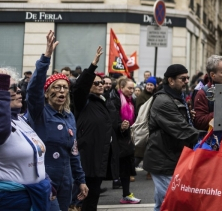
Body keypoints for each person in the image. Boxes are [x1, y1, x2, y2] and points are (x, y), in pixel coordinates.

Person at [27, 30, 88, 210]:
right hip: (43, 180)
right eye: (57, 87)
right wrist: (46, 57)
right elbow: (33, 91)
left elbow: (74, 152)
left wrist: (81, 180)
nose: (61, 91)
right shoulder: (39, 113)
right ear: (47, 93)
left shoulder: (69, 117)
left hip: (65, 180)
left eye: (64, 87)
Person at [145, 64, 199, 211]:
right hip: (163, 159)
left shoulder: (176, 97)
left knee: (162, 203)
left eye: (187, 78)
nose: (187, 81)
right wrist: (204, 139)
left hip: (171, 156)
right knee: (171, 202)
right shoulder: (163, 101)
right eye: (182, 78)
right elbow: (181, 129)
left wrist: (188, 116)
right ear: (171, 80)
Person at [72, 46, 120, 211]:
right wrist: (93, 66)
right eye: (96, 83)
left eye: (102, 83)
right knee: (80, 201)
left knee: (92, 201)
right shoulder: (82, 101)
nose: (101, 85)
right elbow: (79, 88)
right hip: (85, 158)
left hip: (99, 158)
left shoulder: (103, 101)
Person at [0, 69, 54, 211]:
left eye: (17, 87)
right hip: (12, 200)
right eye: (11, 88)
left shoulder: (20, 119)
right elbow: (2, 129)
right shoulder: (4, 125)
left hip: (38, 194)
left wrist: (46, 179)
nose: (19, 91)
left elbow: (34, 155)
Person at [107, 77, 140, 204]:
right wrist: (120, 125)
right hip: (116, 138)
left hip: (127, 137)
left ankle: (126, 194)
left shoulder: (131, 100)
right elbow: (112, 117)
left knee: (126, 167)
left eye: (133, 88)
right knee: (116, 167)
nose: (132, 91)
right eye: (129, 88)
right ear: (121, 88)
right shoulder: (114, 99)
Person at [193, 55, 222, 131]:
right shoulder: (203, 94)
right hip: (214, 139)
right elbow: (199, 122)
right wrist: (221, 111)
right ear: (213, 75)